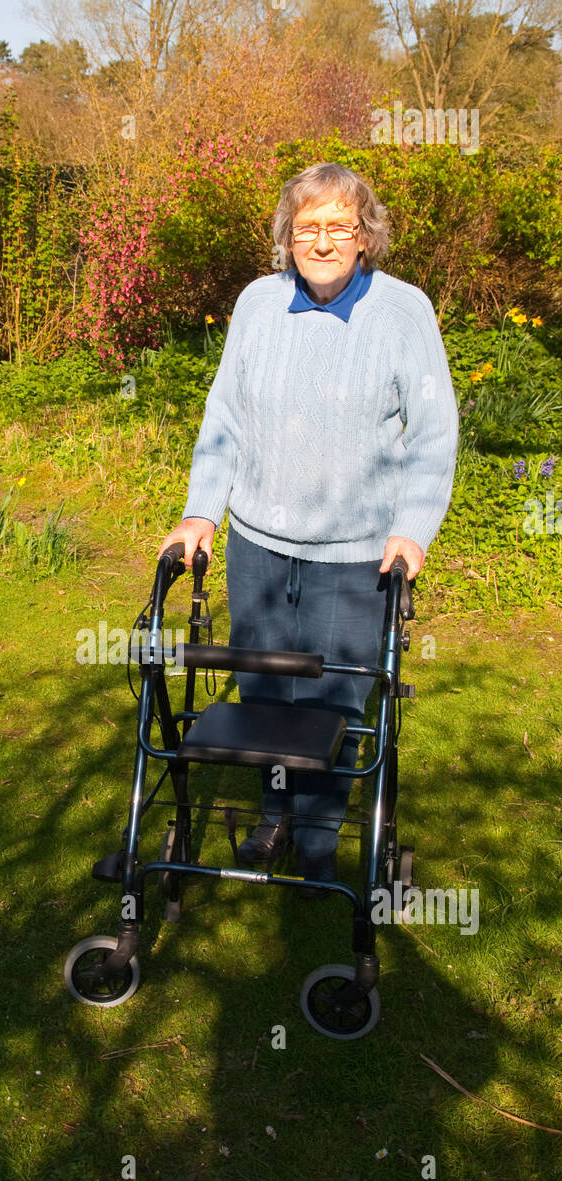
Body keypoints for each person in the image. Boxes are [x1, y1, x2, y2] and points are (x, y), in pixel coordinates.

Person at [157, 161, 458, 896]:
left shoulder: (402, 311)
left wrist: (412, 529)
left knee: (333, 699)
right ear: (286, 236)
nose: (321, 241)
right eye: (307, 227)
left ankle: (319, 836)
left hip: (354, 553)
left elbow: (433, 431)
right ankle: (273, 815)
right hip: (259, 543)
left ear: (365, 236)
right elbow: (224, 416)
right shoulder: (257, 304)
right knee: (260, 694)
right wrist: (202, 510)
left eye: (338, 226)